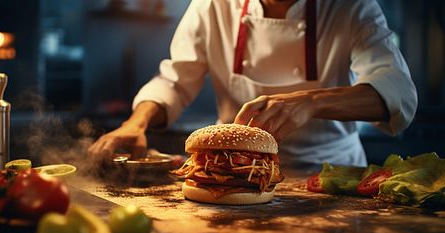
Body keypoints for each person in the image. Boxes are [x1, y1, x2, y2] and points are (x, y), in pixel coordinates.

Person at [89, 0, 417, 168]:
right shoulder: (212, 5)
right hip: (230, 167)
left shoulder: (352, 7)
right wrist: (136, 123)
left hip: (328, 174)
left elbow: (398, 92)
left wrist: (313, 101)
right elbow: (175, 80)